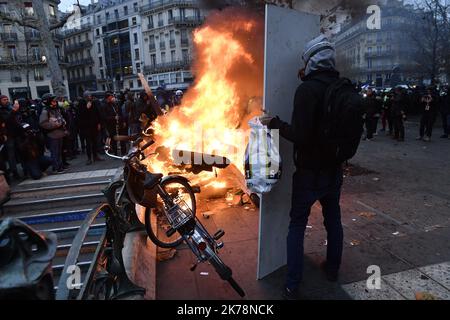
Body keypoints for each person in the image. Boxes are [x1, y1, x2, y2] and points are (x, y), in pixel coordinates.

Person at [262, 35, 348, 300]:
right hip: (334, 169)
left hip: (309, 172)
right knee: (333, 219)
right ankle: (332, 269)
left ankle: (292, 283)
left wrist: (274, 122)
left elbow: (300, 134)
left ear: (311, 61)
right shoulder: (343, 87)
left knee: (297, 224)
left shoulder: (307, 90)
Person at [39, 93, 67, 173]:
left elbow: (60, 117)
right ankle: (56, 167)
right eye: (53, 101)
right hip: (52, 134)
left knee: (59, 151)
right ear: (48, 101)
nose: (55, 102)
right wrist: (55, 125)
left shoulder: (56, 109)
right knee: (54, 152)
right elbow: (43, 123)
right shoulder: (45, 111)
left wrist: (63, 122)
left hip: (60, 133)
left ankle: (60, 165)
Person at [78, 91, 104, 165]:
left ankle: (96, 156)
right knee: (88, 143)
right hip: (86, 127)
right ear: (85, 97)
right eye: (88, 96)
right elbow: (80, 115)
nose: (90, 97)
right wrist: (86, 108)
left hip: (94, 126)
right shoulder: (81, 104)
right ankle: (89, 158)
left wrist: (99, 123)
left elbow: (97, 113)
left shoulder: (94, 103)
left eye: (90, 96)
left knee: (95, 142)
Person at [0, 95, 23, 180]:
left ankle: (25, 170)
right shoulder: (1, 110)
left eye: (7, 99)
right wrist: (14, 110)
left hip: (17, 133)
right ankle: (15, 172)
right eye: (4, 100)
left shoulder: (10, 107)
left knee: (21, 151)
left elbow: (17, 118)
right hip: (9, 135)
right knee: (11, 155)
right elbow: (6, 119)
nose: (6, 101)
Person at [101, 91, 127, 156]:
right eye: (111, 97)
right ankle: (115, 153)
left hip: (119, 123)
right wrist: (113, 118)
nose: (113, 98)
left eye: (113, 97)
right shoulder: (104, 106)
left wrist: (123, 121)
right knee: (114, 139)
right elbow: (104, 117)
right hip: (111, 125)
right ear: (108, 98)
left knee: (122, 137)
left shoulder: (115, 104)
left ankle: (124, 151)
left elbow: (120, 113)